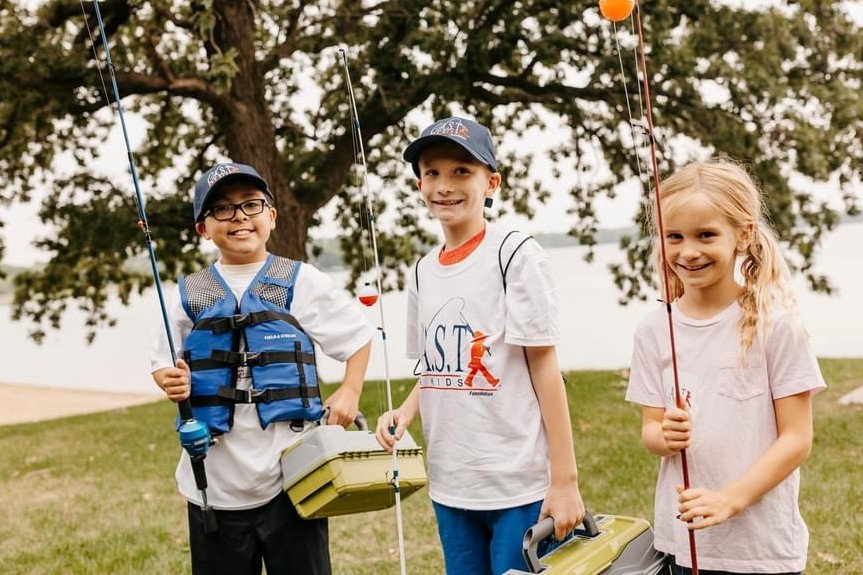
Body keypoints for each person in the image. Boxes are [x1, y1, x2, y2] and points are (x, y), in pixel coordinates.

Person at [374, 116, 585, 575]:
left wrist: (565, 481)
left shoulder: (515, 254)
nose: (444, 185)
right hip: (451, 483)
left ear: (491, 183)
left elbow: (546, 369)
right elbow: (438, 364)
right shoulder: (421, 271)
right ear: (418, 184)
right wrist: (405, 412)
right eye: (432, 172)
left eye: (461, 172)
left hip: (517, 484)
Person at [151, 161, 375, 575]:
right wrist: (169, 379)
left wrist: (350, 390)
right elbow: (163, 361)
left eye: (251, 205)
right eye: (222, 209)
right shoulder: (189, 294)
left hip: (292, 480)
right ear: (203, 228)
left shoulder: (302, 281)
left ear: (271, 215)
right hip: (212, 486)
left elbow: (359, 336)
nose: (238, 216)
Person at [625, 159, 826, 574]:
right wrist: (664, 436)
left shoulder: (777, 326)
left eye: (706, 235)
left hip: (762, 549)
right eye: (674, 236)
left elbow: (797, 439)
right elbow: (650, 430)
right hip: (684, 540)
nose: (688, 251)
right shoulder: (653, 329)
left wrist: (730, 499)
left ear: (744, 234)